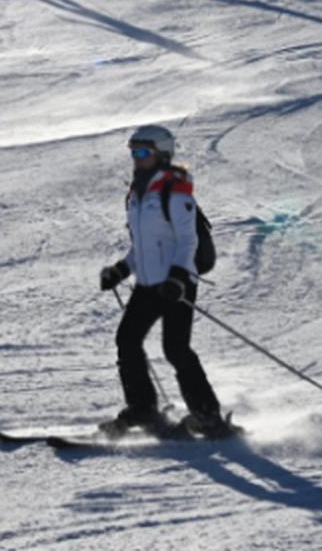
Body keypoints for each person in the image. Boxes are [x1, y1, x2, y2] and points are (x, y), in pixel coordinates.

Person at [97, 125, 228, 438]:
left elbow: (187, 239)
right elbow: (141, 245)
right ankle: (142, 409)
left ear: (161, 153)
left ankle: (208, 417)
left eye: (143, 152)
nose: (136, 158)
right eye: (133, 152)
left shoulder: (176, 189)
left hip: (175, 284)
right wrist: (121, 269)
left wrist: (180, 277)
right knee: (127, 340)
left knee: (176, 349)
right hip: (147, 283)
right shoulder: (136, 193)